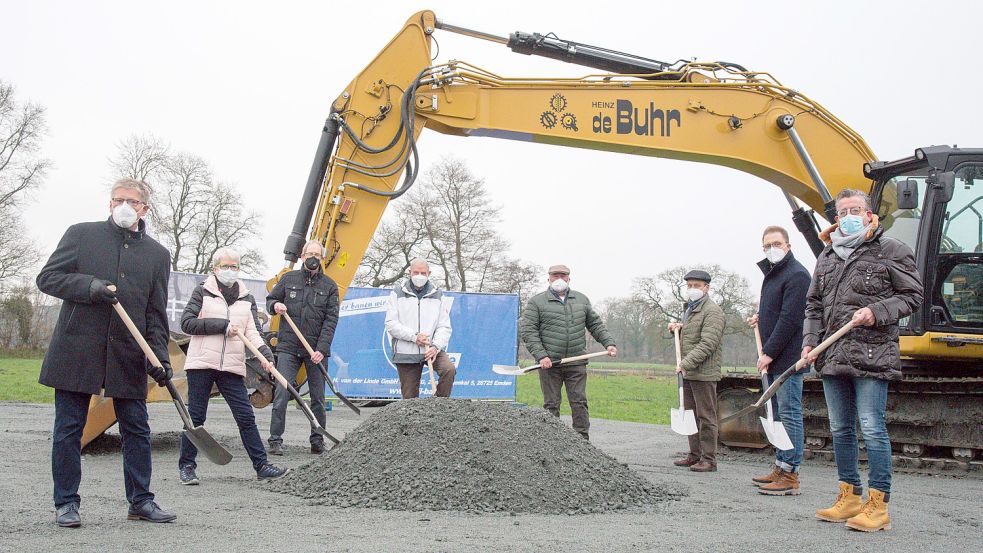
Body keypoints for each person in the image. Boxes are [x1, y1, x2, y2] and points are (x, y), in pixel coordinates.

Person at [36, 179, 176, 527]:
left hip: (128, 354)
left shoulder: (157, 255)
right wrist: (89, 286)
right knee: (69, 429)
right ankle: (66, 502)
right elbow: (48, 278)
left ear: (145, 208)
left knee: (137, 430)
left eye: (132, 201)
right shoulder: (81, 235)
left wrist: (159, 358)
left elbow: (155, 314)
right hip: (77, 348)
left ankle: (141, 501)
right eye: (118, 200)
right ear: (109, 204)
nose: (124, 206)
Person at [804, 189, 921, 532]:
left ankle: (878, 504)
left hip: (873, 353)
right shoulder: (827, 256)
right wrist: (810, 342)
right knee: (840, 428)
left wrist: (877, 311)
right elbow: (813, 306)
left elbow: (912, 295)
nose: (850, 214)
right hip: (832, 354)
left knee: (871, 426)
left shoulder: (892, 250)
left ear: (870, 215)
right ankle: (849, 495)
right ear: (836, 219)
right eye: (844, 211)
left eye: (857, 209)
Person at [178, 247, 290, 484]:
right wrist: (222, 325)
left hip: (231, 366)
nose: (230, 271)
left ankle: (261, 466)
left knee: (245, 416)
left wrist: (266, 356)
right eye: (225, 266)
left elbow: (254, 333)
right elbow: (187, 323)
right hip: (201, 364)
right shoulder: (203, 292)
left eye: (234, 266)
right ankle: (187, 466)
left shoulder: (246, 298)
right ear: (215, 268)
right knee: (195, 417)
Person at [748, 226, 812, 495]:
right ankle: (780, 464)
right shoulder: (774, 274)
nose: (770, 248)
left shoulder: (797, 275)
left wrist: (769, 352)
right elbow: (775, 313)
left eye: (776, 243)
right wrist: (760, 320)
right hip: (775, 357)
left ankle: (791, 473)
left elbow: (790, 319)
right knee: (776, 414)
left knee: (789, 414)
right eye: (766, 245)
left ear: (788, 245)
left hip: (788, 358)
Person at [519, 264, 617, 440]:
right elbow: (528, 331)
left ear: (569, 278)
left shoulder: (581, 299)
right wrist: (541, 355)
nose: (559, 279)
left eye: (563, 276)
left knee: (579, 402)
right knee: (551, 404)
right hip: (549, 364)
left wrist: (608, 343)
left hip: (576, 362)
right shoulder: (537, 302)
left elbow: (595, 324)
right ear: (548, 278)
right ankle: (551, 441)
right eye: (555, 275)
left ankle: (582, 440)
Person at [267, 240, 340, 455]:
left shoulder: (329, 286)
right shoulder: (288, 279)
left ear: (322, 259)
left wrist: (322, 349)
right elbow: (270, 299)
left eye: (317, 255)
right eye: (310, 254)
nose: (313, 258)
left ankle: (317, 440)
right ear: (302, 255)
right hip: (288, 347)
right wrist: (275, 306)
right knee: (283, 391)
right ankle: (275, 440)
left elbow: (331, 320)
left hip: (315, 350)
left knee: (318, 397)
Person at [668, 269, 724, 472]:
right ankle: (694, 455)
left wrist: (685, 363)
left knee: (706, 417)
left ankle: (709, 459)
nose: (692, 289)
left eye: (696, 286)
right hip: (690, 372)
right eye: (689, 285)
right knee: (690, 415)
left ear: (706, 288)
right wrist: (678, 329)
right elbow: (692, 336)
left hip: (704, 373)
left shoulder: (713, 312)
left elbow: (707, 343)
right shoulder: (691, 309)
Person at [384, 258, 456, 398]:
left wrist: (435, 346)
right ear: (409, 272)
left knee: (449, 369)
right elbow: (391, 324)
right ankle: (413, 418)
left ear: (429, 273)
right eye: (416, 272)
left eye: (423, 273)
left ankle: (439, 406)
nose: (419, 276)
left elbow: (444, 326)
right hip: (406, 352)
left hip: (431, 349)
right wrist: (414, 336)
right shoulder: (397, 293)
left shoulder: (438, 295)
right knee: (410, 398)